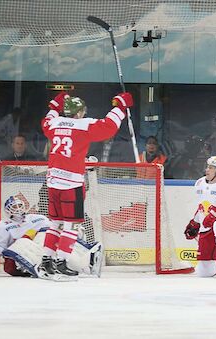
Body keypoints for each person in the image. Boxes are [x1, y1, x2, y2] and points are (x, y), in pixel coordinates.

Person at [38, 91, 133, 280]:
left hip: (53, 181)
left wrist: (55, 106)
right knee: (71, 224)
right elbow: (109, 127)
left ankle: (46, 262)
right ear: (80, 112)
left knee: (54, 223)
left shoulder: (54, 124)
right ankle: (61, 263)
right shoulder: (84, 124)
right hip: (71, 183)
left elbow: (46, 120)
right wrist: (120, 106)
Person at [0, 195, 103, 278]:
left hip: (41, 246)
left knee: (56, 241)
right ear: (7, 210)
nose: (18, 209)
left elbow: (54, 231)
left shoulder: (37, 218)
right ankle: (51, 266)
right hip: (20, 256)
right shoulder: (2, 225)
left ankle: (87, 257)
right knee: (21, 245)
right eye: (14, 206)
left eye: (19, 205)